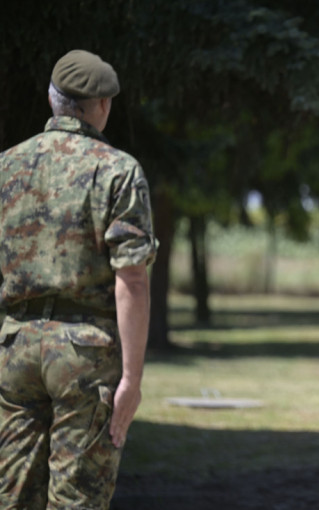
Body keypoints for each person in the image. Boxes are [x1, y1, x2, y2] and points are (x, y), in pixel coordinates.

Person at [0, 49, 158, 509]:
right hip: (85, 354)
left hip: (14, 348)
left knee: (13, 496)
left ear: (53, 100)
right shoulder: (117, 171)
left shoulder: (7, 166)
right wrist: (131, 378)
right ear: (103, 105)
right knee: (77, 501)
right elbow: (132, 279)